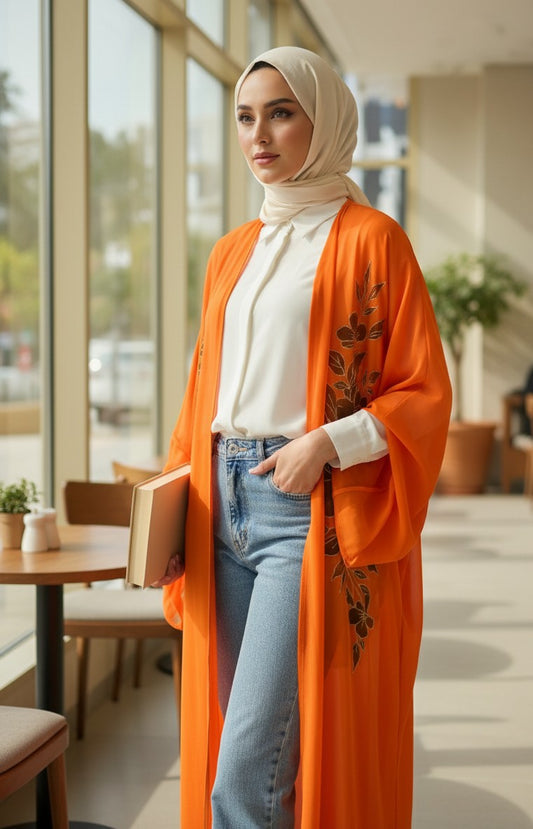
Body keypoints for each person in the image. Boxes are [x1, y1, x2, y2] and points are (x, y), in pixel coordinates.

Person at [158, 46, 452, 828]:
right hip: (215, 502)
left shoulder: (370, 239)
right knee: (251, 747)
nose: (259, 135)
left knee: (246, 768)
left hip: (304, 514)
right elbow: (203, 393)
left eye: (281, 112)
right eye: (246, 117)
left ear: (322, 121)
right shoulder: (232, 251)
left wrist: (326, 443)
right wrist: (173, 501)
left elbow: (421, 390)